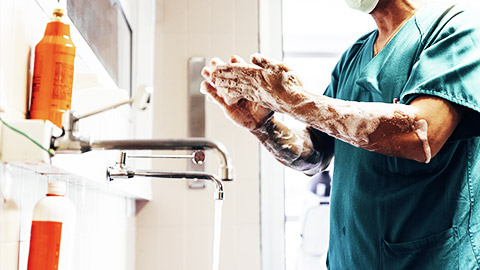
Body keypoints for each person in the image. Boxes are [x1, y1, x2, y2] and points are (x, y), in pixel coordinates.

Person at [201, 0, 480, 268]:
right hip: (350, 260)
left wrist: (294, 100)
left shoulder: (455, 28)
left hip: (427, 261)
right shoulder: (354, 56)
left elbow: (423, 135)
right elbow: (316, 155)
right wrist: (263, 124)